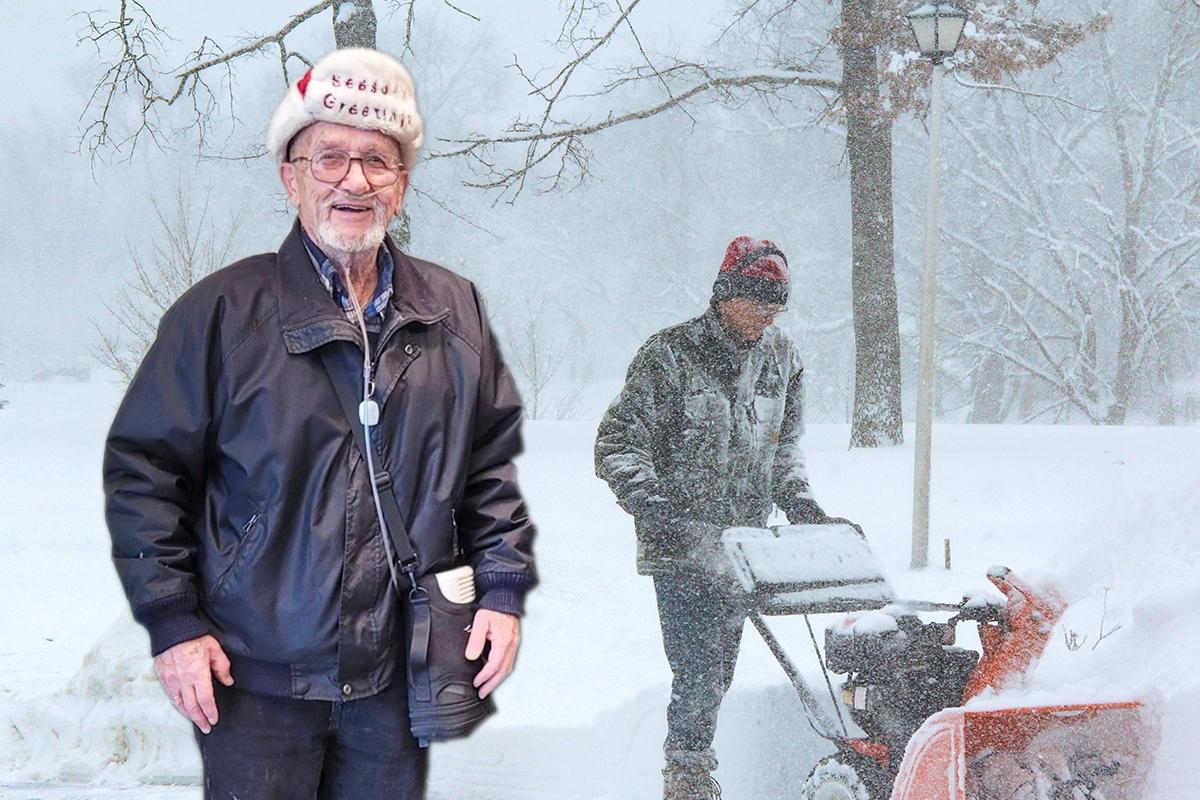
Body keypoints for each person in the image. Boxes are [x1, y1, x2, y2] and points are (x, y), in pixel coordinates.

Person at [103, 48, 536, 799]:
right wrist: (174, 623)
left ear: (401, 184)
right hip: (252, 678)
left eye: (377, 161)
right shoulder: (220, 314)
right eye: (329, 157)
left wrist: (500, 587)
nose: (354, 181)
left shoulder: (453, 311)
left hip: (398, 675)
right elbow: (145, 475)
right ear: (290, 176)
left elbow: (487, 467)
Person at [594, 236, 861, 800]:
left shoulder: (782, 358)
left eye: (777, 307)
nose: (768, 317)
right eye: (758, 303)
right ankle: (687, 777)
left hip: (743, 546)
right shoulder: (671, 355)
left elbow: (783, 449)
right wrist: (652, 504)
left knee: (718, 668)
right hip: (681, 543)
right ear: (725, 295)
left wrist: (802, 504)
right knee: (698, 670)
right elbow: (618, 442)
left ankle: (692, 766)